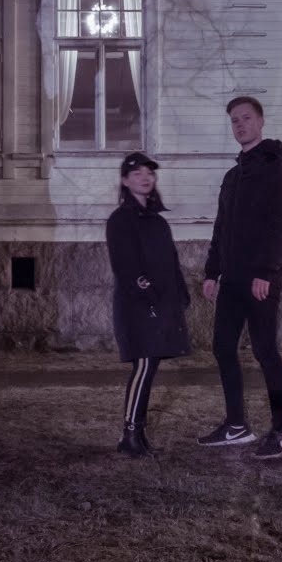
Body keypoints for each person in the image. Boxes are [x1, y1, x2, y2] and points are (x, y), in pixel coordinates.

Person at [197, 96, 282, 459]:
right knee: (223, 347)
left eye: (246, 118)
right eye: (234, 121)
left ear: (260, 122)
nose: (240, 125)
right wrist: (212, 272)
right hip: (231, 279)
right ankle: (236, 425)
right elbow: (221, 227)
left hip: (261, 278)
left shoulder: (278, 168)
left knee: (264, 351)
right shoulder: (233, 176)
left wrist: (267, 272)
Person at [105, 152, 192, 458]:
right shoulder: (120, 220)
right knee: (143, 365)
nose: (145, 178)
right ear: (125, 181)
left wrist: (180, 296)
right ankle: (129, 434)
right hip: (137, 306)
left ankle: (137, 434)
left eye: (149, 173)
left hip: (161, 304)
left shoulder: (157, 221)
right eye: (137, 173)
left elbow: (171, 263)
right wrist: (148, 294)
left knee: (150, 365)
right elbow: (125, 267)